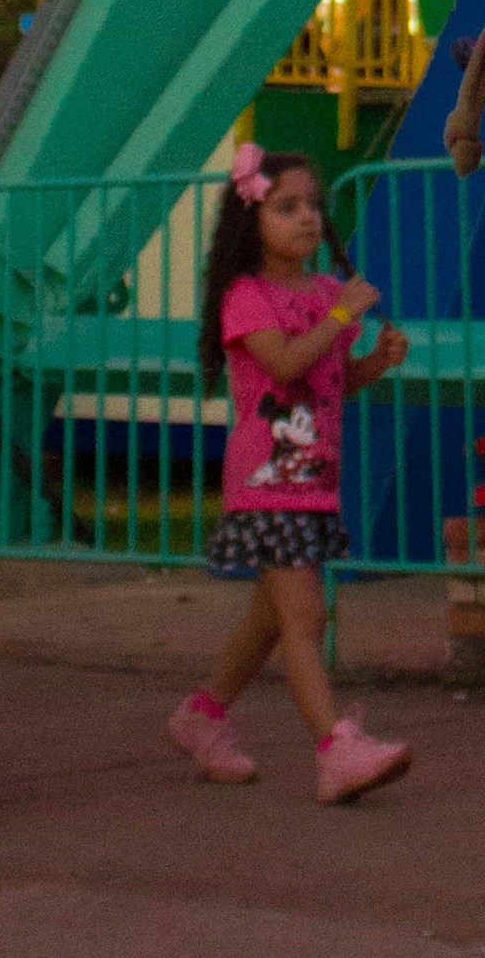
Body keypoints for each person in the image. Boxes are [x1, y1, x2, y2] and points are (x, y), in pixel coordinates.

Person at [167, 141, 411, 802]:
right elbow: (284, 365)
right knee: (305, 619)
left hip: (313, 482)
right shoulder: (247, 298)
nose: (306, 219)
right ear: (254, 220)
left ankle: (203, 716)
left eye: (313, 206)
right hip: (267, 482)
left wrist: (374, 363)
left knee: (270, 622)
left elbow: (328, 381)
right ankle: (336, 750)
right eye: (286, 208)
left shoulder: (327, 292)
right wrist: (341, 319)